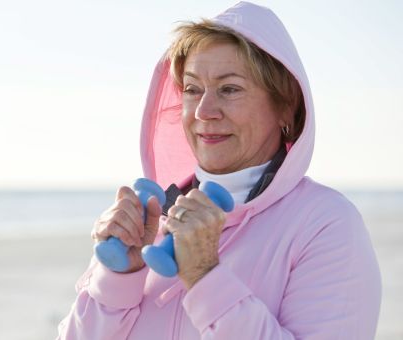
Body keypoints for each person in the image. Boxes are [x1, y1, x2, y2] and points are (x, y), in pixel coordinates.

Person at [56, 2, 381, 339]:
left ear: (286, 106)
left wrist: (206, 276)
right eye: (193, 89)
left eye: (229, 89)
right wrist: (116, 278)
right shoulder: (151, 221)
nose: (204, 111)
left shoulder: (326, 223)